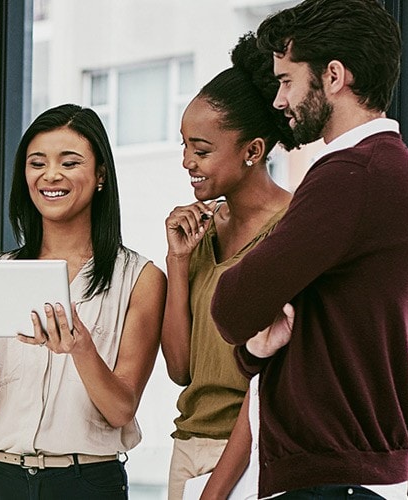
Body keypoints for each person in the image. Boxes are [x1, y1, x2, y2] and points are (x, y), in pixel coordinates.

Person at [210, 0, 408, 498]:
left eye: (287, 81)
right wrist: (254, 350)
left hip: (332, 475)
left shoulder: (350, 174)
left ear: (334, 76)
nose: (278, 101)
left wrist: (246, 331)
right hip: (346, 471)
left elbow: (232, 304)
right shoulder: (387, 168)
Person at [0, 103, 167, 500]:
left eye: (69, 162)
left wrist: (80, 348)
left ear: (100, 175)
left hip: (85, 483)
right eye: (37, 162)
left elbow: (121, 410)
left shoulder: (140, 279)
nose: (51, 175)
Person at [160, 33, 296, 500]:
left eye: (200, 150)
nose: (186, 162)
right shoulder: (198, 235)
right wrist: (178, 263)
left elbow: (274, 383)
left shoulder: (292, 232)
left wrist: (216, 490)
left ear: (253, 151)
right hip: (189, 449)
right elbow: (180, 368)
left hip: (257, 457)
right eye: (184, 146)